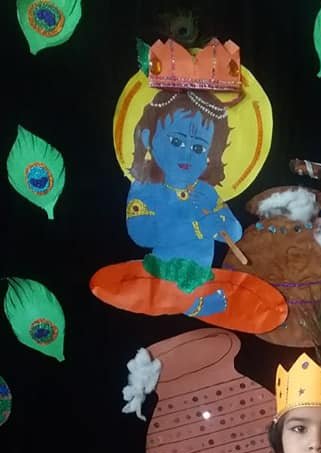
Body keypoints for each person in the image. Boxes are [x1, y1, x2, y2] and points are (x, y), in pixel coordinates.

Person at [90, 89, 285, 334]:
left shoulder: (205, 191)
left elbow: (234, 234)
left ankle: (194, 303)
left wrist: (220, 221)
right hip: (162, 271)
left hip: (201, 274)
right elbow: (142, 234)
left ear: (211, 154)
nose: (186, 154)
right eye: (176, 142)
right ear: (149, 137)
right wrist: (198, 228)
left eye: (199, 148)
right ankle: (193, 305)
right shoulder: (146, 186)